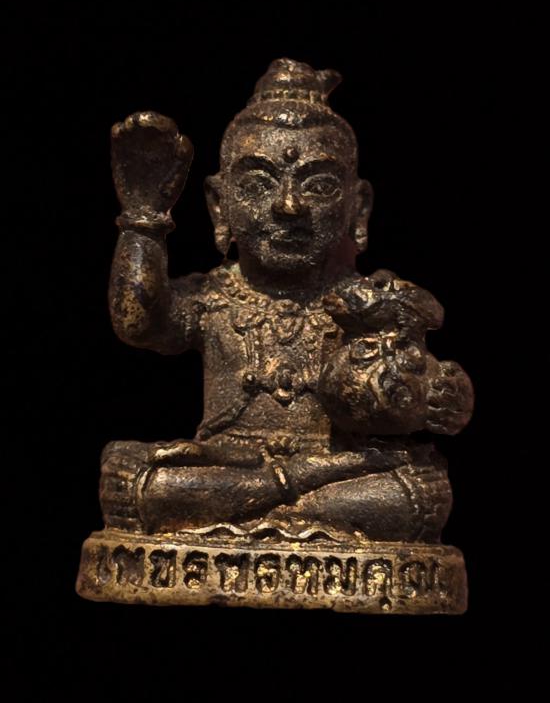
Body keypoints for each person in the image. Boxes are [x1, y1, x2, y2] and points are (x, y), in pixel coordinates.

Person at [100, 58, 473, 542]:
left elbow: (424, 376)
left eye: (319, 185)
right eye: (258, 184)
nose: (288, 205)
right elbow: (139, 323)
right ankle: (291, 501)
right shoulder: (215, 294)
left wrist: (444, 398)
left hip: (339, 470)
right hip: (230, 466)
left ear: (358, 207)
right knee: (146, 483)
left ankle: (268, 504)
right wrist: (143, 217)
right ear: (219, 204)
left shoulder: (367, 302)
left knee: (412, 493)